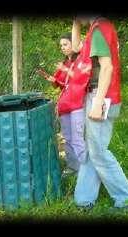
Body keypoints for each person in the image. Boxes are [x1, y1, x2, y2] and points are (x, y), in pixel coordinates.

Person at [71, 16, 128, 210]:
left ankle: (126, 198)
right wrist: (76, 23)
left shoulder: (100, 28)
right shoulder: (97, 28)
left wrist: (98, 103)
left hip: (101, 97)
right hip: (99, 95)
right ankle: (84, 199)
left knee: (98, 151)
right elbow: (76, 48)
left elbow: (106, 67)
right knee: (92, 149)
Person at [37, 33, 90, 175]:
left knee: (78, 138)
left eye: (65, 44)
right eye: (61, 45)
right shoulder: (65, 63)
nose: (62, 48)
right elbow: (62, 84)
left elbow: (82, 79)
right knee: (67, 138)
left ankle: (86, 171)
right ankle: (73, 167)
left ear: (75, 44)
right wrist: (52, 79)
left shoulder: (82, 61)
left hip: (78, 104)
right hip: (65, 105)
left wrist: (66, 70)